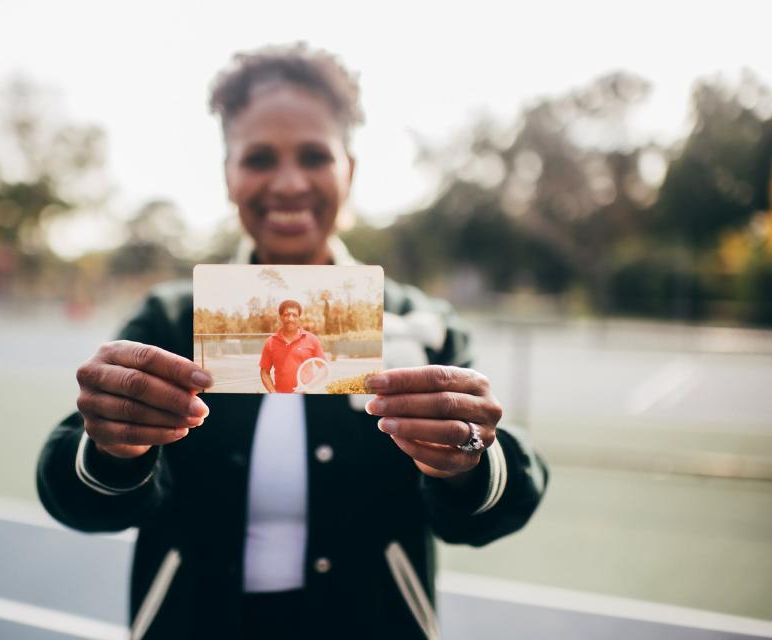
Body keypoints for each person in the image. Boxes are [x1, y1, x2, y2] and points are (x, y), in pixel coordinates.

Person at [37, 43, 548, 640]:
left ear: (348, 170)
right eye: (258, 158)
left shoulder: (418, 322)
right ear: (227, 174)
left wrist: (469, 458)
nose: (288, 183)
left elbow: (494, 506)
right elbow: (74, 494)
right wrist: (111, 446)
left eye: (314, 156)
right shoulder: (172, 319)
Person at [259, 299, 326, 393]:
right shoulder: (270, 342)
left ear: (299, 318)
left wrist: (306, 388)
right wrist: (273, 392)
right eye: (287, 315)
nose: (290, 319)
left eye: (294, 315)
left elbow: (323, 368)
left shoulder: (312, 339)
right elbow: (264, 372)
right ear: (281, 317)